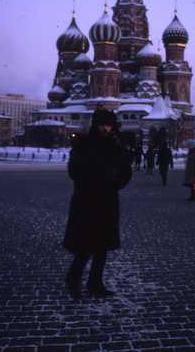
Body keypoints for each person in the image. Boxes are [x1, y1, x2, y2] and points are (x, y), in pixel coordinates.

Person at [63, 108, 132, 298]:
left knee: (102, 248)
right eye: (102, 124)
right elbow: (74, 171)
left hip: (108, 201)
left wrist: (115, 183)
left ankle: (95, 284)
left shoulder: (115, 145)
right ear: (96, 125)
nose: (105, 128)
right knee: (84, 247)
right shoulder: (83, 144)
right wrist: (93, 180)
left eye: (108, 124)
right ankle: (73, 279)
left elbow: (126, 171)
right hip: (86, 201)